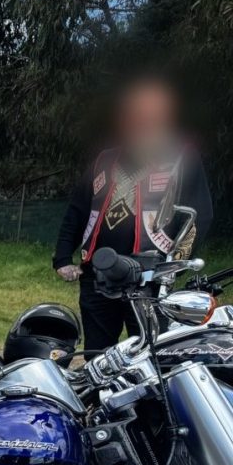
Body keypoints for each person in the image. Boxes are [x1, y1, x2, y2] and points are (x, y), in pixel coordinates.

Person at [53, 77, 212, 351]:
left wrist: (173, 265)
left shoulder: (182, 158)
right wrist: (62, 257)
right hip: (97, 277)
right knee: (98, 357)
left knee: (150, 357)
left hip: (148, 278)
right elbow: (78, 209)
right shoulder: (103, 160)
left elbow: (200, 215)